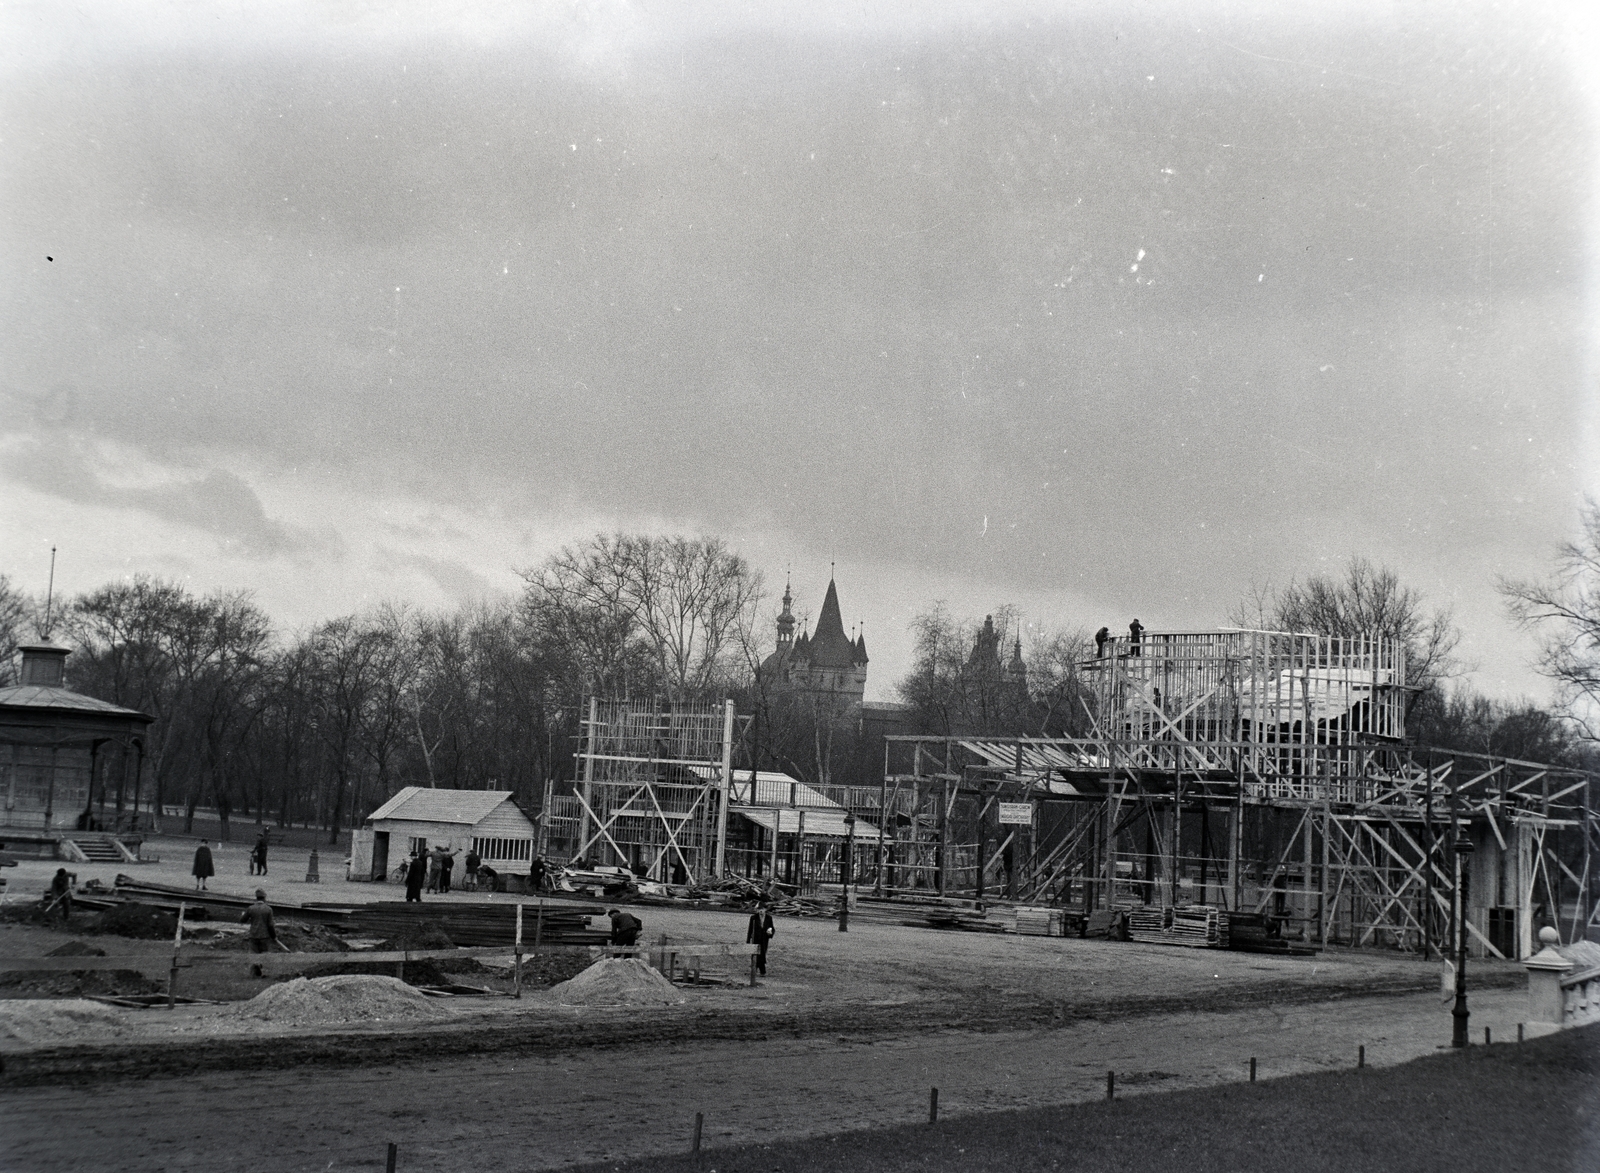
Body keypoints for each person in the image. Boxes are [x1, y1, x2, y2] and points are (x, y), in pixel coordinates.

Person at [240, 888, 278, 978]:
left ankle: (253, 974)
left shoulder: (251, 908)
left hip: (253, 935)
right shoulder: (268, 909)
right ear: (264, 898)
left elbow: (242, 920)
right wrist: (274, 936)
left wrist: (242, 915)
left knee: (253, 955)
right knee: (265, 955)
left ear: (256, 898)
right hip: (265, 936)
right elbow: (270, 925)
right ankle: (264, 973)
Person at [746, 903, 775, 976]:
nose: (760, 911)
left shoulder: (769, 918)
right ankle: (755, 970)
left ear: (765, 910)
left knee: (762, 954)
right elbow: (750, 929)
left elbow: (772, 928)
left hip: (764, 939)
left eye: (762, 909)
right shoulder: (753, 918)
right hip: (755, 938)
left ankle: (762, 971)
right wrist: (748, 940)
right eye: (759, 909)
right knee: (754, 954)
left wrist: (770, 932)